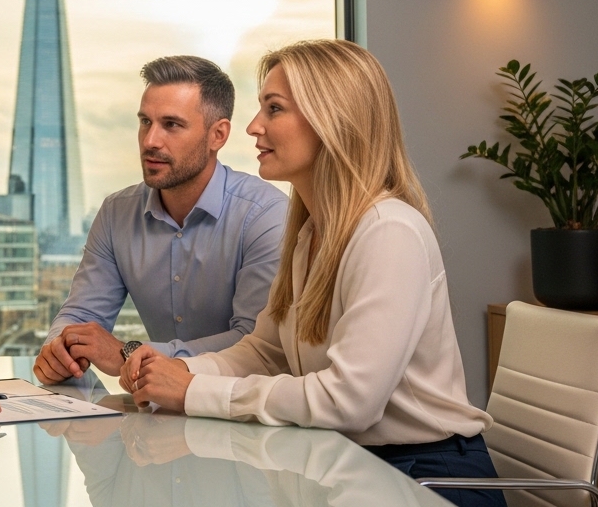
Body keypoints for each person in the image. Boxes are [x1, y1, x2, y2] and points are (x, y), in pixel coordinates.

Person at [121, 39, 503, 507]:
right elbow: (266, 351)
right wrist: (180, 370)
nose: (254, 127)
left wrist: (196, 392)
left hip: (425, 480)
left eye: (274, 109)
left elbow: (348, 402)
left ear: (332, 120)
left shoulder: (388, 232)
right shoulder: (310, 236)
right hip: (348, 469)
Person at [33, 56, 286, 385]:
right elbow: (82, 315)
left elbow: (254, 345)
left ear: (218, 135)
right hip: (160, 412)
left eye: (171, 125)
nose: (150, 140)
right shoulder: (116, 213)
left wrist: (130, 352)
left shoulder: (265, 215)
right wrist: (59, 348)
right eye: (145, 122)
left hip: (246, 413)